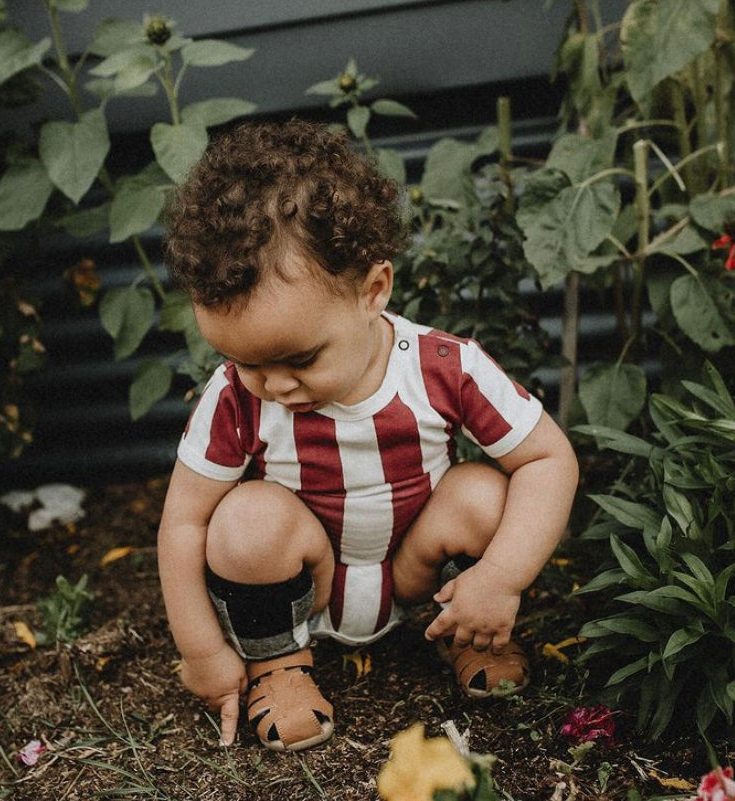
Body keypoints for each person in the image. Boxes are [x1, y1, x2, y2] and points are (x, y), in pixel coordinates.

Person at [158, 119, 579, 753]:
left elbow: (549, 458)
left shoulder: (442, 367)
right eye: (247, 362)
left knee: (485, 494)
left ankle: (469, 631)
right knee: (243, 518)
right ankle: (279, 662)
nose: (275, 386)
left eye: (300, 359)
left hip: (416, 569)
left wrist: (501, 577)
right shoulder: (237, 396)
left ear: (372, 290)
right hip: (312, 581)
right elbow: (183, 523)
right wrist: (202, 649)